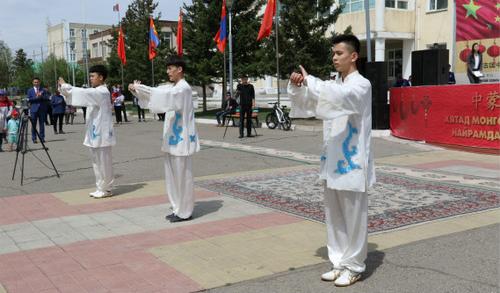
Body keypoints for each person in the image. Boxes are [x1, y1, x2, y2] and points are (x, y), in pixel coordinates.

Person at [288, 34, 375, 287]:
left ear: (353, 56)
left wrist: (312, 81)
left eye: (339, 53)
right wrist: (300, 85)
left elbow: (338, 97)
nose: (334, 57)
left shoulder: (361, 85)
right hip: (332, 160)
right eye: (333, 53)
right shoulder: (333, 84)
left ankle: (355, 265)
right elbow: (311, 105)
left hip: (352, 162)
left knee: (354, 216)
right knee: (334, 215)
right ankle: (339, 261)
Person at [129, 56, 200, 223]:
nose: (168, 72)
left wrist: (141, 88)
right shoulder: (173, 87)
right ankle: (177, 208)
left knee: (183, 177)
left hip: (182, 140)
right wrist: (137, 91)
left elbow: (162, 95)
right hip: (172, 139)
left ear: (180, 69)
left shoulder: (183, 88)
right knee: (173, 177)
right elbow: (158, 96)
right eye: (167, 68)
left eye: (170, 68)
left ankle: (185, 211)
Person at [59, 65, 116, 198]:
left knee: (104, 162)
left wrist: (66, 86)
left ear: (101, 77)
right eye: (90, 76)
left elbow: (82, 93)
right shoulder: (95, 91)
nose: (90, 78)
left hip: (102, 133)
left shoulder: (102, 92)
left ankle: (107, 188)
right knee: (96, 161)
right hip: (94, 132)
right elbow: (82, 96)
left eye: (93, 76)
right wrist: (65, 90)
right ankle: (100, 186)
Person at [27, 77, 50, 143]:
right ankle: (34, 138)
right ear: (33, 83)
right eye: (35, 82)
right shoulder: (30, 90)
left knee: (42, 124)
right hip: (33, 109)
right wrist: (36, 97)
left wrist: (41, 96)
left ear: (39, 82)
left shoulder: (43, 90)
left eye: (37, 82)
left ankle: (42, 138)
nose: (36, 83)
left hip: (42, 109)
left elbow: (47, 98)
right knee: (33, 124)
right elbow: (29, 99)